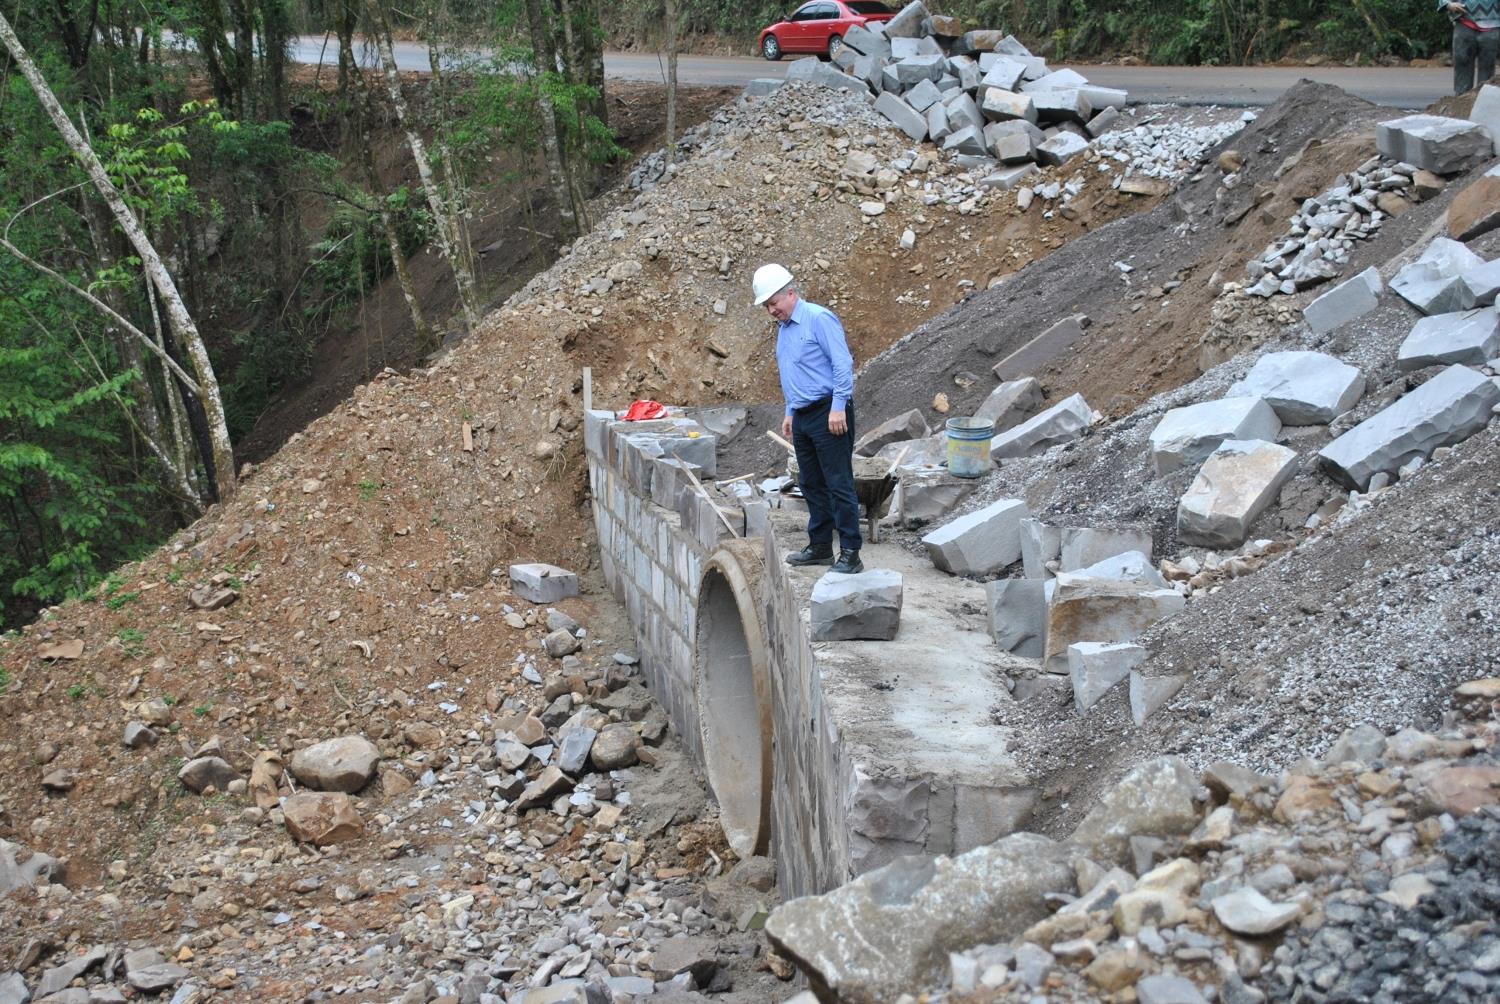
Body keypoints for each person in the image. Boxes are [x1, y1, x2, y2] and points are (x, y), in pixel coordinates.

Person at [752, 263, 864, 575]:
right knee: (811, 482)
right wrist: (790, 412)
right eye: (767, 306)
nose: (772, 310)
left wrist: (839, 406)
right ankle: (820, 546)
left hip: (829, 411)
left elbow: (842, 363)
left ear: (791, 293)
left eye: (774, 303)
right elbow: (792, 373)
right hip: (802, 415)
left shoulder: (818, 318)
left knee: (838, 481)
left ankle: (852, 552)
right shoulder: (785, 330)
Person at [1444, 0, 1499, 95]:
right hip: (1464, 22)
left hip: (1492, 24)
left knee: (1487, 65)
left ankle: (1484, 97)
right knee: (1462, 61)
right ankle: (1461, 98)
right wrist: (1448, 4)